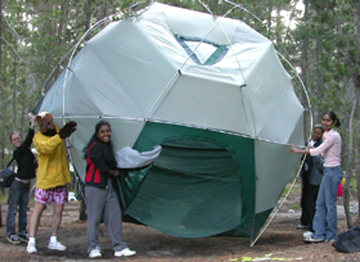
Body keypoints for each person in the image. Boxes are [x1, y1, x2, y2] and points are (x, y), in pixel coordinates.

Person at [83, 121, 136, 258]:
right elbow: (102, 168)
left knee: (114, 216)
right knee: (94, 218)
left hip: (108, 186)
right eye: (102, 132)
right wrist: (114, 173)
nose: (106, 134)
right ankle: (93, 247)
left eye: (108, 131)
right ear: (97, 134)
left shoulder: (106, 147)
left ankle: (119, 247)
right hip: (95, 187)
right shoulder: (95, 147)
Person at [26, 112, 77, 253]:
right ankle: (31, 241)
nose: (47, 126)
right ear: (39, 126)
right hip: (46, 179)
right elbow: (47, 148)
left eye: (49, 122)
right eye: (43, 124)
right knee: (39, 208)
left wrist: (64, 133)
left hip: (60, 178)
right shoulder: (38, 138)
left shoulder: (60, 132)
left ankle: (53, 239)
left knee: (59, 209)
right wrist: (60, 136)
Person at [290, 111, 343, 243]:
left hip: (332, 171)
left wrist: (298, 150)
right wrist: (310, 147)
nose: (325, 123)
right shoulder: (326, 134)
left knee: (329, 204)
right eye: (324, 120)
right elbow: (321, 150)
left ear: (334, 122)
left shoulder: (334, 136)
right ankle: (319, 233)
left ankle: (330, 235)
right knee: (320, 203)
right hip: (327, 170)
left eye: (328, 121)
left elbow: (318, 151)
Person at [6, 113, 37, 244]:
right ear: (12, 143)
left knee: (24, 209)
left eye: (19, 138)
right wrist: (31, 125)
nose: (18, 140)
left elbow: (32, 163)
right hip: (17, 184)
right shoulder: (17, 152)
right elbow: (28, 141)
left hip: (27, 184)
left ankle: (22, 232)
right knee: (13, 209)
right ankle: (10, 233)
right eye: (15, 140)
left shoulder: (28, 151)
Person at [297, 125, 324, 233]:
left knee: (312, 200)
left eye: (318, 133)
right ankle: (304, 220)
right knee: (305, 199)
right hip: (306, 174)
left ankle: (312, 223)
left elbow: (318, 160)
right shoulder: (308, 143)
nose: (315, 135)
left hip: (315, 175)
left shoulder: (320, 145)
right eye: (314, 132)